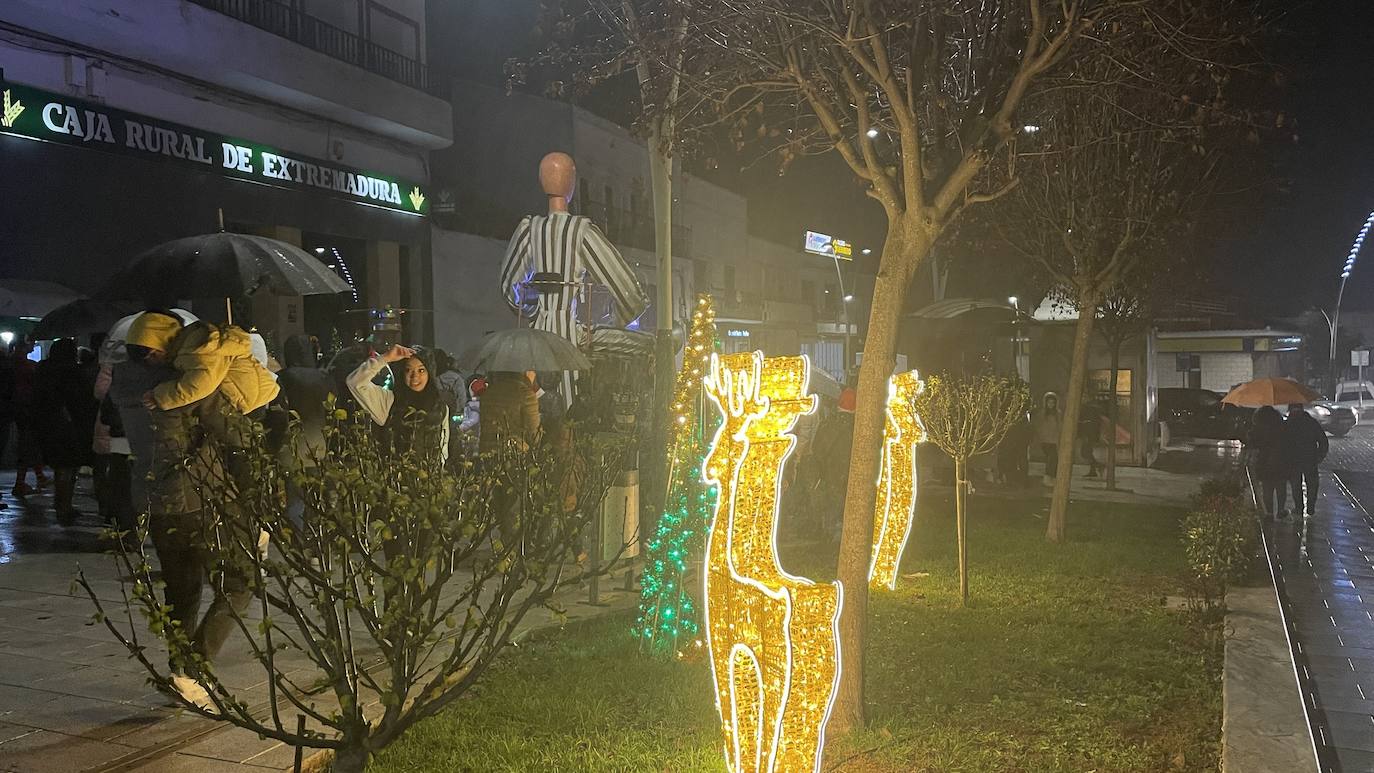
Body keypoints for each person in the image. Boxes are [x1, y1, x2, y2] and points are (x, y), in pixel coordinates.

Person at [110, 311, 251, 709]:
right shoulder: (188, 388)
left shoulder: (124, 385)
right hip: (200, 497)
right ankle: (194, 669)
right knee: (242, 581)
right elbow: (235, 434)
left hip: (153, 500)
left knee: (182, 588)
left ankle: (180, 675)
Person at [144, 321, 280, 417]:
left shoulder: (197, 348)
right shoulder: (196, 340)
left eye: (151, 355)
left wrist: (159, 396)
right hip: (255, 396)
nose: (152, 361)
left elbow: (201, 384)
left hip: (249, 402)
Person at [346, 344, 450, 459]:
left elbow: (442, 449)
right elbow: (355, 383)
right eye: (408, 370)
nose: (414, 377)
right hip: (394, 474)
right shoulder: (390, 402)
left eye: (421, 370)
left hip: (430, 475)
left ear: (430, 373)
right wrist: (385, 358)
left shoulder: (440, 407)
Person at [32, 338, 95, 520]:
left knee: (61, 466)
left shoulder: (43, 370)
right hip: (68, 426)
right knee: (68, 467)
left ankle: (61, 503)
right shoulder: (71, 372)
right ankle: (64, 506)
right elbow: (79, 401)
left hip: (47, 424)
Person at [9, 341, 47, 497]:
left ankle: (36, 476)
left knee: (28, 443)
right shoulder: (26, 366)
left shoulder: (12, 363)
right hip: (26, 409)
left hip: (18, 408)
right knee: (28, 443)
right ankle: (22, 482)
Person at [479, 370, 541, 454]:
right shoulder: (526, 394)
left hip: (487, 452)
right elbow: (534, 437)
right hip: (514, 454)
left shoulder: (488, 393)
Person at [1284, 403, 1329, 519]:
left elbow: (1282, 442)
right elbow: (1323, 441)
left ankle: (1300, 508)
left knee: (1296, 484)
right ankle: (1310, 507)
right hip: (1309, 459)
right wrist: (1319, 456)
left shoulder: (1288, 423)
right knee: (1311, 484)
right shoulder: (1311, 422)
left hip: (1294, 459)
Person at [1248, 406, 1289, 520]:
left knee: (1267, 487)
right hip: (1281, 460)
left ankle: (1269, 512)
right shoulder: (1281, 426)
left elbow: (1253, 442)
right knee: (1281, 486)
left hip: (1264, 461)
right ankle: (1280, 509)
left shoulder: (1258, 428)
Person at [1035, 392, 1062, 484]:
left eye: (1052, 403)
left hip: (1054, 441)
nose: (1051, 404)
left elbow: (1060, 426)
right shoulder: (1042, 414)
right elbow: (1038, 427)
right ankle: (1048, 477)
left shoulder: (1058, 414)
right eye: (1049, 402)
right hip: (1045, 441)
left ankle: (1051, 477)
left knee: (1053, 459)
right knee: (1051, 459)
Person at [1079, 395, 1104, 478]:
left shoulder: (1088, 408)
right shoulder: (1092, 408)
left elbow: (1089, 422)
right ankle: (1093, 469)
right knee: (1087, 451)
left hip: (1088, 433)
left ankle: (1097, 466)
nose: (1083, 399)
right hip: (1090, 433)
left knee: (1085, 452)